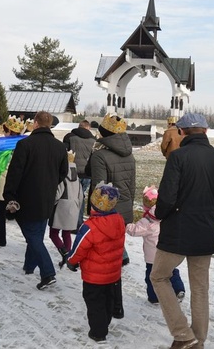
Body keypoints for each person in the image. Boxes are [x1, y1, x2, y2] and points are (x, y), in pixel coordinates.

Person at [150, 112, 214, 349]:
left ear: (182, 132)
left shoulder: (178, 157)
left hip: (178, 228)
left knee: (158, 276)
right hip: (204, 229)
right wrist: (205, 211)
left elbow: (167, 197)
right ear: (206, 131)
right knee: (199, 288)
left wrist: (161, 213)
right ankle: (198, 339)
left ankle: (184, 334)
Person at [3, 110, 68, 290]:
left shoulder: (25, 144)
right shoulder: (59, 146)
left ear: (36, 123)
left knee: (33, 236)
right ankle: (29, 266)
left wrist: (9, 195)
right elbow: (63, 172)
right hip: (47, 196)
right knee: (37, 232)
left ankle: (47, 273)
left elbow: (15, 172)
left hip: (26, 196)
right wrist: (51, 182)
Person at [85, 113, 136, 318]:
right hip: (123, 210)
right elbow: (131, 186)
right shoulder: (129, 154)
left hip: (106, 213)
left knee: (103, 262)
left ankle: (110, 305)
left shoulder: (100, 155)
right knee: (114, 259)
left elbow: (100, 188)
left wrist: (97, 214)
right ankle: (117, 306)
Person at [66, 182, 126, 344]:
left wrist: (71, 261)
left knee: (94, 302)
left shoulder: (89, 227)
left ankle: (98, 332)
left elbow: (78, 249)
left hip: (94, 276)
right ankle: (105, 322)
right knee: (107, 298)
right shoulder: (119, 220)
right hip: (113, 273)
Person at [125, 185, 185, 305]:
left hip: (153, 258)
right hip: (168, 251)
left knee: (151, 276)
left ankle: (154, 297)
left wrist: (126, 225)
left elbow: (135, 230)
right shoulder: (168, 216)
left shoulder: (147, 221)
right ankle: (179, 289)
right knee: (171, 270)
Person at [0, 115, 26, 247]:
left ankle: (0, 239)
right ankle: (29, 237)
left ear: (9, 131)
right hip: (15, 184)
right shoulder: (23, 144)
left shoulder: (1, 145)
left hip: (1, 182)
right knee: (16, 211)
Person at [49, 151, 83, 267]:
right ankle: (69, 257)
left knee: (53, 233)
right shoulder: (76, 176)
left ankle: (64, 252)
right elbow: (81, 195)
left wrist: (51, 203)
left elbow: (57, 194)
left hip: (61, 207)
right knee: (66, 233)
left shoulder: (62, 175)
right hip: (74, 206)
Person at [62, 119, 95, 228]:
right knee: (81, 197)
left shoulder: (70, 137)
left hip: (72, 172)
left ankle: (70, 222)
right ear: (88, 128)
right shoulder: (93, 140)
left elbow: (64, 152)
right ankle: (78, 222)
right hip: (87, 173)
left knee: (70, 197)